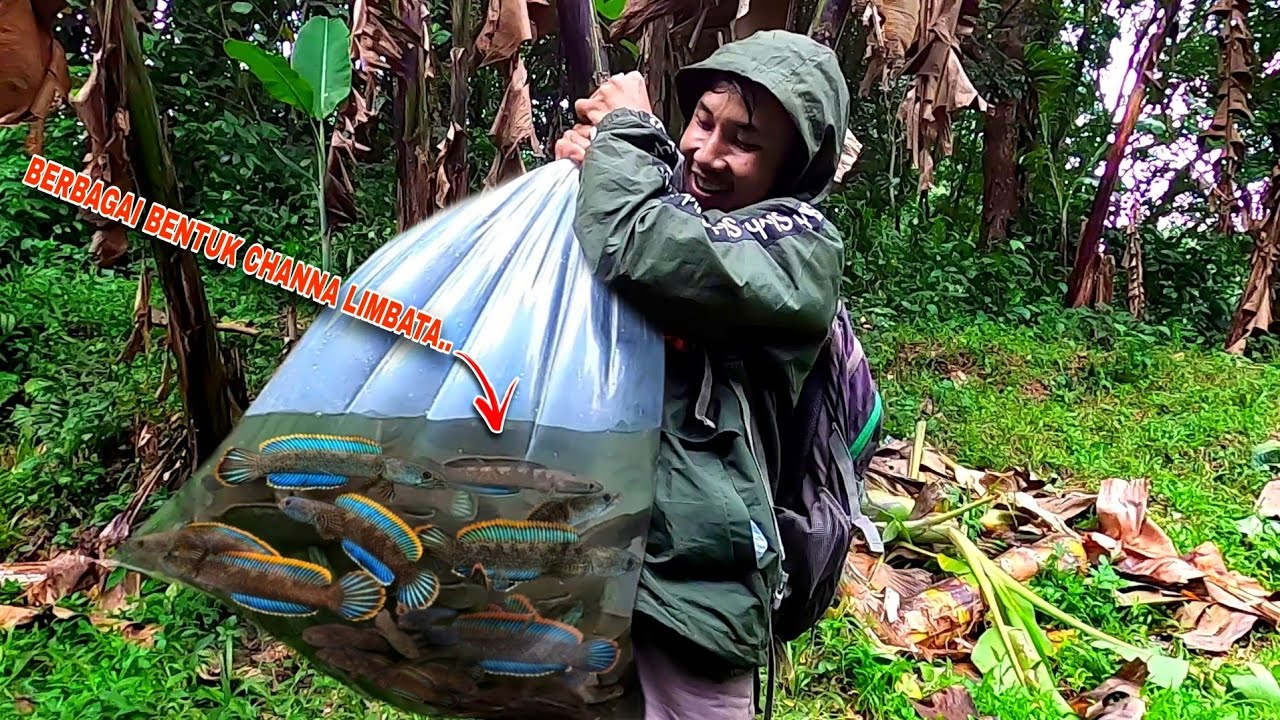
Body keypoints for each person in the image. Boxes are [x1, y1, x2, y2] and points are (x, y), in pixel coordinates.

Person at [554, 29, 851, 719]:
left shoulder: (800, 251)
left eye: (743, 142)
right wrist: (583, 175)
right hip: (579, 564)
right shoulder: (658, 197)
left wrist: (626, 137)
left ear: (791, 170)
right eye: (703, 121)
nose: (705, 151)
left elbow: (640, 246)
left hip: (694, 594)